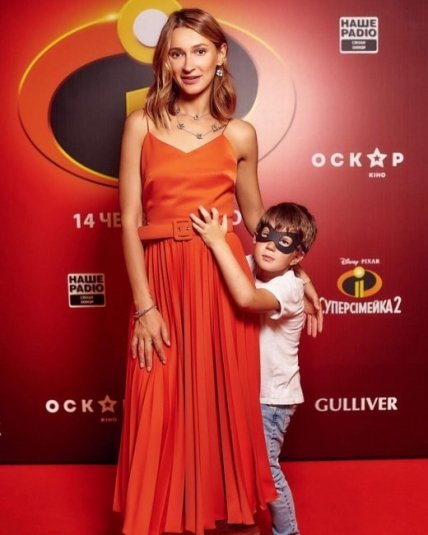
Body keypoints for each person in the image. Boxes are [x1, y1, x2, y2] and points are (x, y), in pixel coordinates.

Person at [113, 8, 322, 535]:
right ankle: (158, 522)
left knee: (216, 410)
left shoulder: (240, 135)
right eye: (177, 53)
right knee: (158, 405)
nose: (189, 64)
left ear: (220, 55)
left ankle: (216, 519)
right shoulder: (141, 125)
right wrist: (144, 306)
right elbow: (130, 220)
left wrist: (298, 274)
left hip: (219, 281)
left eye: (200, 51)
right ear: (165, 61)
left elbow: (257, 221)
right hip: (161, 279)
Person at [190, 202, 318, 535]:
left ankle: (288, 532)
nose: (271, 246)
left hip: (271, 398)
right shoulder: (249, 264)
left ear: (297, 255)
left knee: (265, 470)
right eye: (265, 236)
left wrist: (217, 241)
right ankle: (234, 521)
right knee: (233, 463)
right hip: (243, 389)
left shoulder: (289, 287)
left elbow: (247, 299)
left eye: (284, 242)